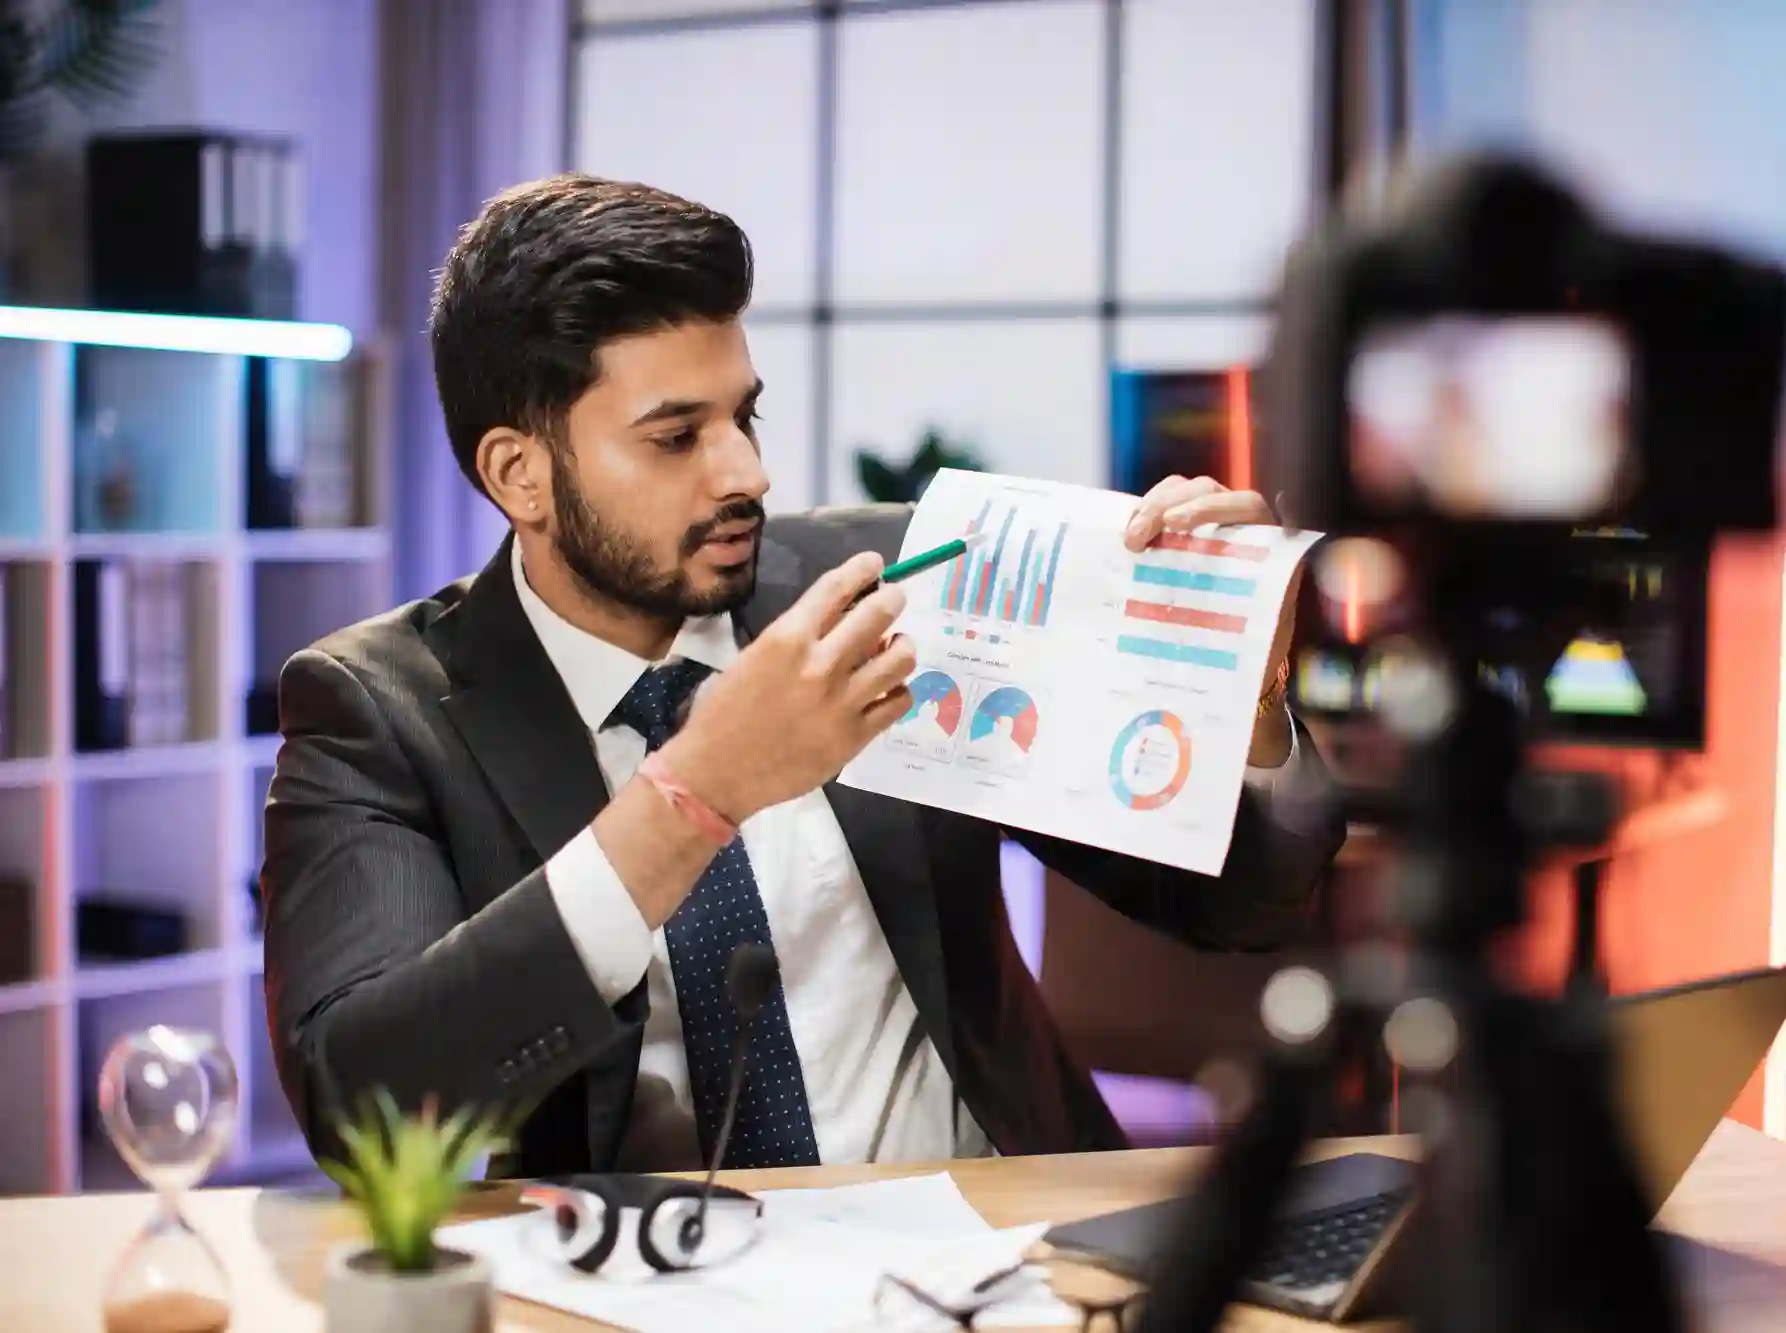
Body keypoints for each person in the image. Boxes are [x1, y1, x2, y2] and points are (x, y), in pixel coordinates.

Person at [260, 174, 1343, 1178]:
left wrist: (1237, 693)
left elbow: (1241, 903)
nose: (745, 472)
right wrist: (693, 796)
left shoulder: (897, 582)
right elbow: (363, 1106)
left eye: (743, 415)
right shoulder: (380, 708)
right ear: (519, 474)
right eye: (675, 436)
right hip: (650, 1287)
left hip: (995, 1246)